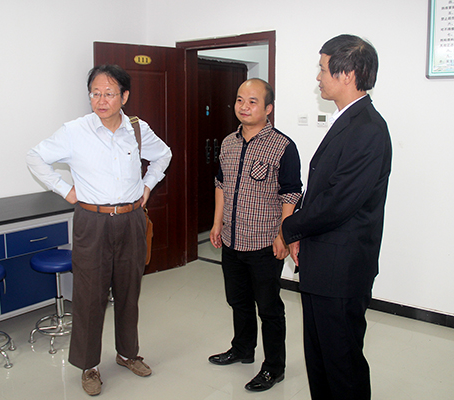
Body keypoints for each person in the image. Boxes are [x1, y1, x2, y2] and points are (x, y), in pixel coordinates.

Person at [26, 64, 172, 396]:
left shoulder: (136, 130)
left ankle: (128, 353)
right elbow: (35, 157)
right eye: (95, 93)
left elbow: (163, 155)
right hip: (92, 222)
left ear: (124, 96)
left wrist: (148, 185)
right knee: (90, 296)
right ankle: (88, 365)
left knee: (129, 291)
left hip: (131, 219)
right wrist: (66, 191)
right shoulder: (74, 131)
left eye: (109, 93)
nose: (101, 100)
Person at [280, 35, 392, 400]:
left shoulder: (368, 128)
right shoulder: (348, 121)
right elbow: (324, 191)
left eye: (323, 69)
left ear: (348, 74)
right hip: (323, 261)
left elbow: (338, 202)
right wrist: (301, 233)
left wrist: (290, 226)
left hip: (341, 269)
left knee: (342, 363)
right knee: (320, 357)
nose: (318, 77)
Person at [208, 78, 302, 392]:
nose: (244, 107)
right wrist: (217, 223)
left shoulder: (283, 146)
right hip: (232, 238)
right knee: (238, 300)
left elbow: (291, 194)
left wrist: (284, 235)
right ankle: (242, 349)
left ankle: (274, 367)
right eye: (240, 100)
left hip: (264, 242)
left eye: (252, 101)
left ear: (268, 108)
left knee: (269, 308)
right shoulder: (228, 143)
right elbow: (220, 185)